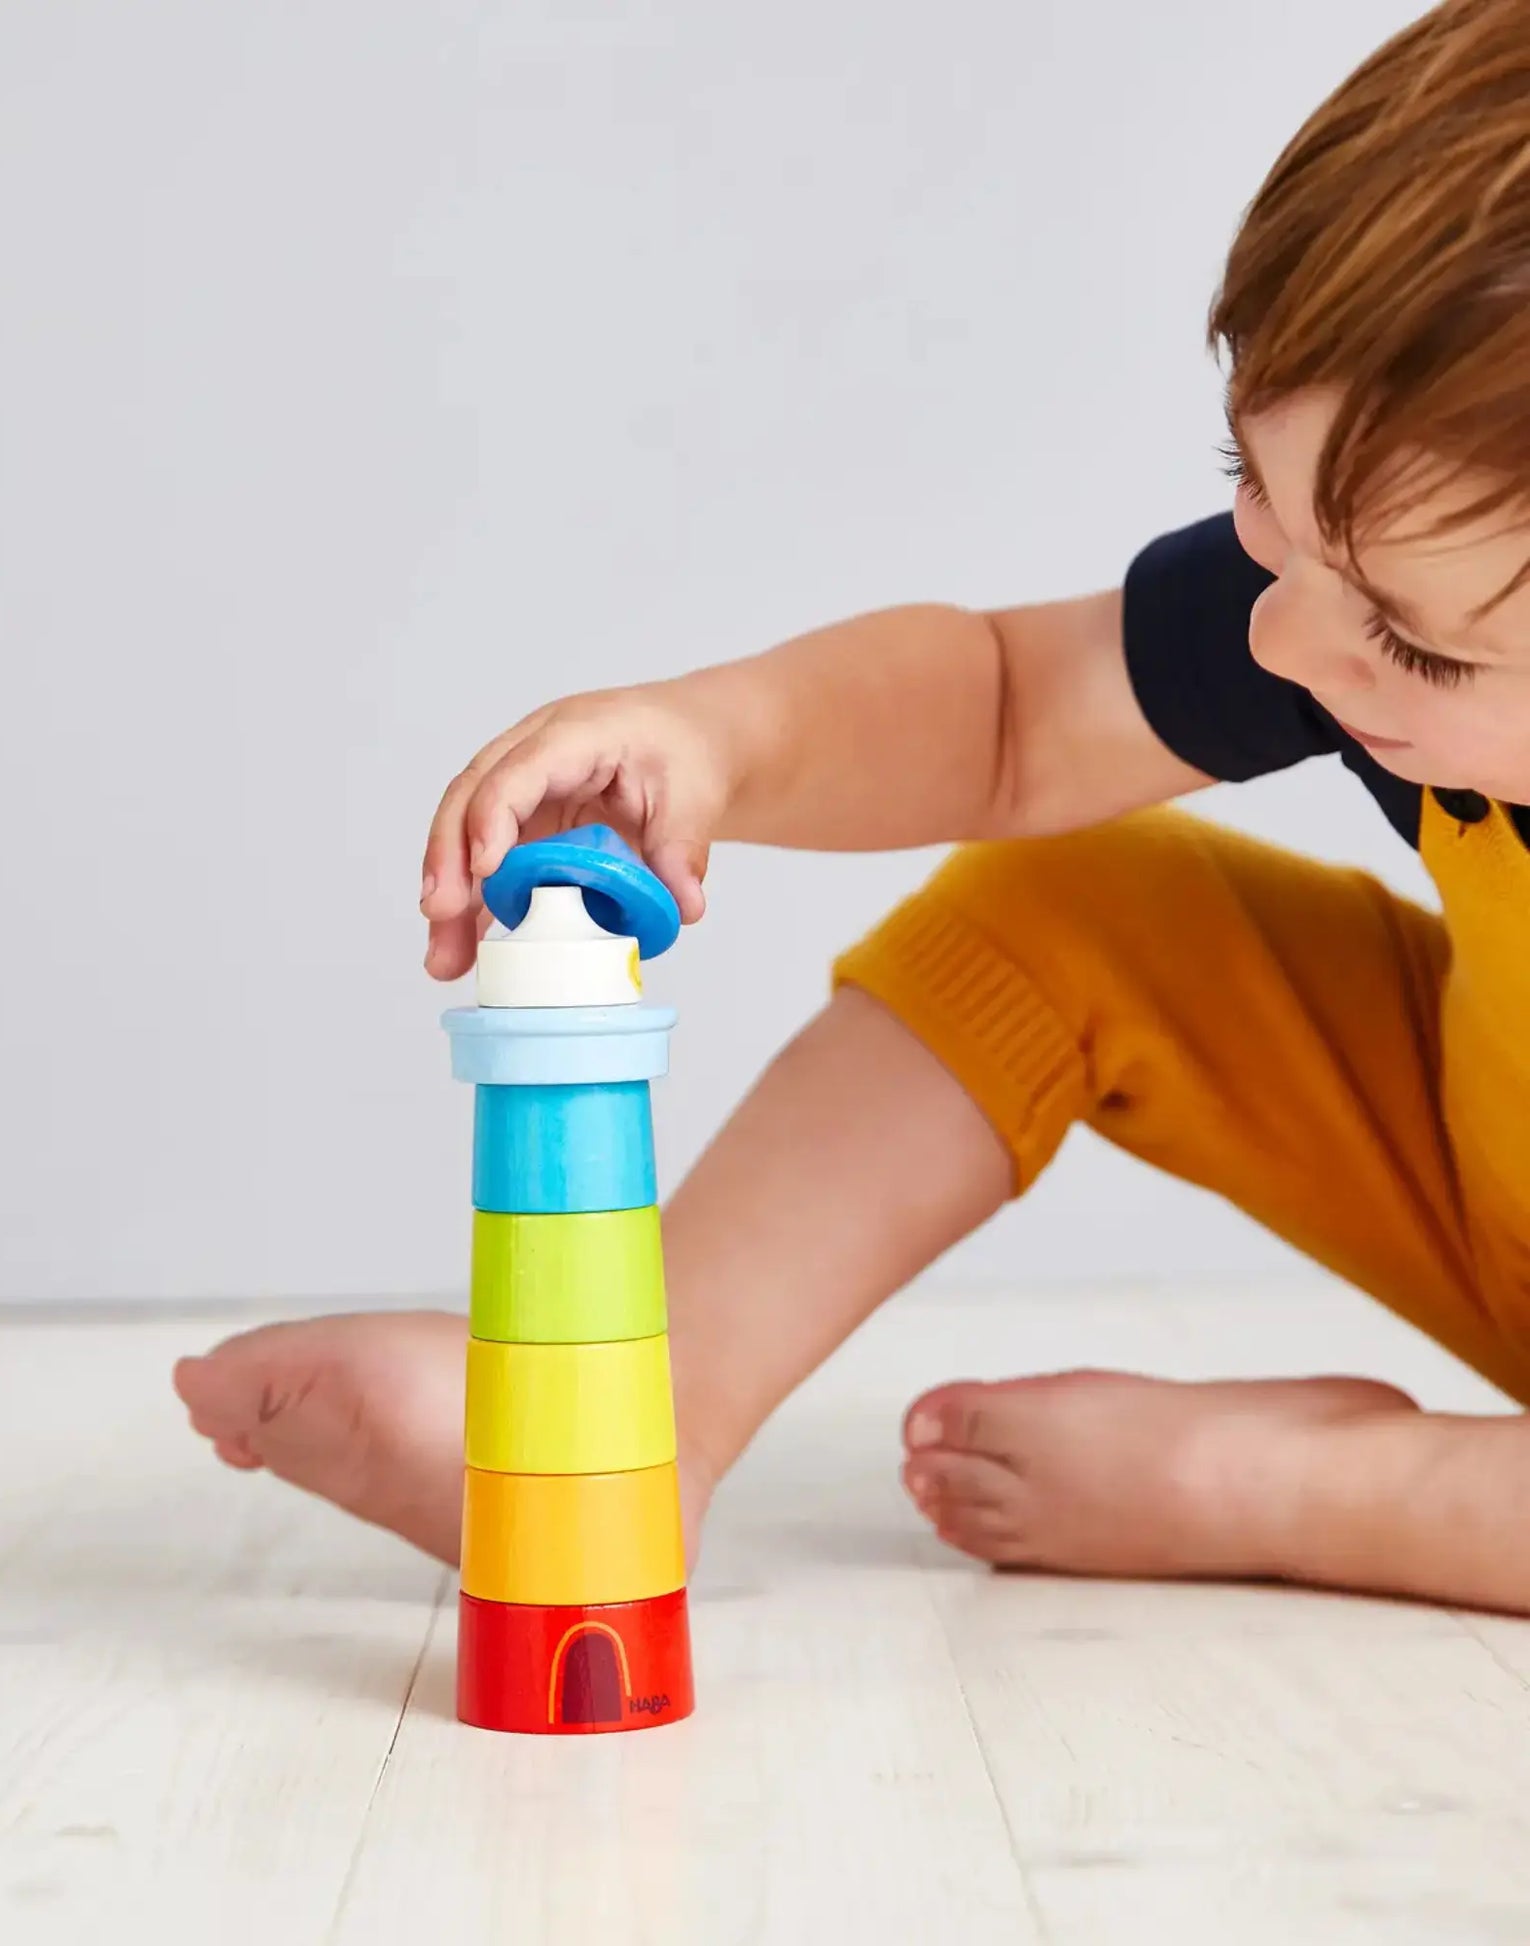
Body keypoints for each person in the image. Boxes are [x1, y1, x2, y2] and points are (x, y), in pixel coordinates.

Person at [176, 0, 1530, 1613]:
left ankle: (1334, 1476)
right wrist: (716, 737)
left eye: (1403, 639)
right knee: (1069, 904)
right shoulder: (1360, 590)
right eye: (1258, 499)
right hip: (1484, 1158)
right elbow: (1016, 713)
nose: (1279, 639)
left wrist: (1279, 1484)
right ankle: (634, 1420)